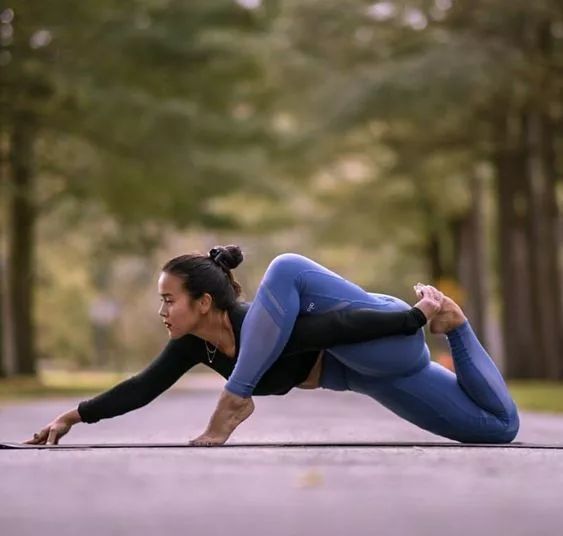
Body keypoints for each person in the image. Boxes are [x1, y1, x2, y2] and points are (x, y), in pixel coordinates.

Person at [24, 245, 519, 446]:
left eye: (168, 299)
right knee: (498, 428)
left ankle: (234, 401)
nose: (161, 311)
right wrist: (74, 416)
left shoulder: (260, 322)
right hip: (367, 377)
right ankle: (457, 324)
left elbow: (336, 327)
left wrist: (410, 318)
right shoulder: (195, 346)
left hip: (380, 339)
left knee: (284, 266)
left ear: (202, 302)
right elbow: (143, 386)